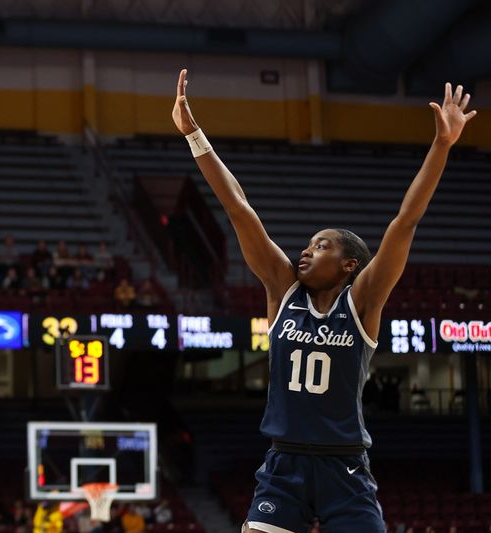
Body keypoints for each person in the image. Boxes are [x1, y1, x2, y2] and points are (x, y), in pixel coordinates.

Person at [173, 69, 476, 533]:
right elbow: (239, 208)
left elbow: (405, 222)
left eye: (321, 246)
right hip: (283, 469)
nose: (306, 251)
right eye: (308, 244)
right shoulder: (282, 289)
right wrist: (194, 134)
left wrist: (441, 146)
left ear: (350, 265)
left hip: (345, 470)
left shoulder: (364, 302)